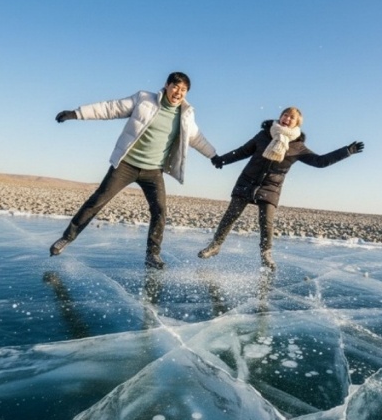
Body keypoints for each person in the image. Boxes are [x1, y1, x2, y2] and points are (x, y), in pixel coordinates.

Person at [50, 71, 216, 269]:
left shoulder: (186, 115)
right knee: (97, 200)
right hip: (126, 165)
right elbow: (111, 108)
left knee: (160, 211)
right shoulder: (144, 100)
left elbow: (197, 138)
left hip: (153, 171)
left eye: (183, 90)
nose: (178, 93)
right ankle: (66, 238)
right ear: (166, 85)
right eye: (175, 87)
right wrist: (76, 113)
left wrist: (213, 155)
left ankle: (152, 255)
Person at [198, 106, 364, 270]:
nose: (287, 119)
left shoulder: (298, 147)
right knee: (231, 215)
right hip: (247, 182)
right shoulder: (264, 135)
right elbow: (242, 151)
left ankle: (266, 255)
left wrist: (346, 151)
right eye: (285, 115)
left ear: (296, 124)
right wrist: (222, 160)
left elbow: (319, 162)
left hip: (271, 188)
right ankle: (215, 245)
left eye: (291, 118)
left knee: (266, 223)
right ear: (280, 117)